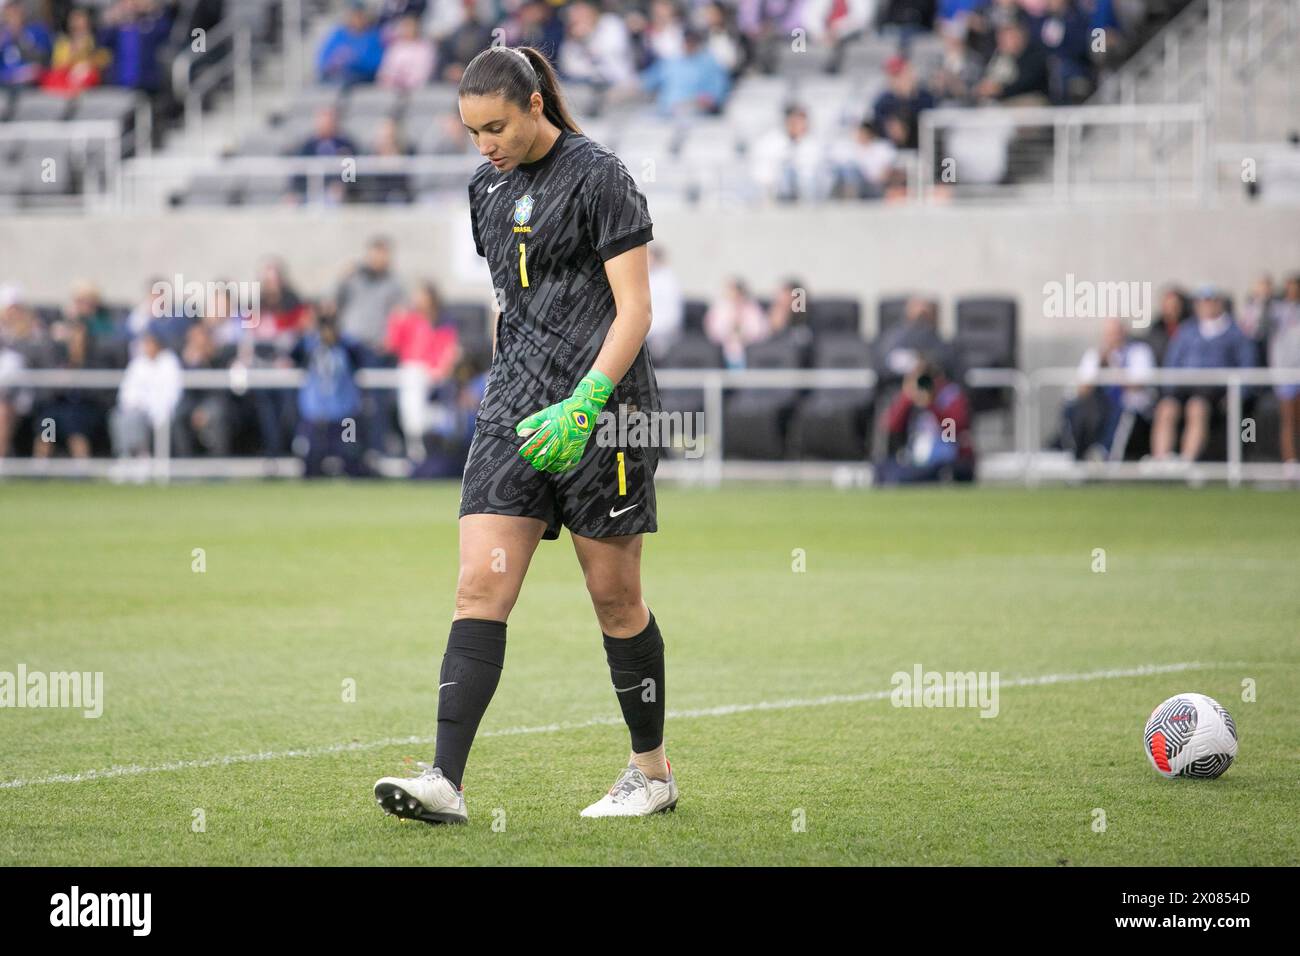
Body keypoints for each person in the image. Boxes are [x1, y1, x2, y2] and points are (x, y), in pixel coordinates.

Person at [372, 44, 677, 824]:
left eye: (497, 126)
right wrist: (516, 389)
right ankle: (445, 780)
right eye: (473, 132)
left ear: (536, 104)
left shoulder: (600, 175)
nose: (487, 145)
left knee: (615, 598)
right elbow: (518, 301)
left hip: (602, 414)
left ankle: (651, 773)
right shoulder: (485, 188)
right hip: (514, 411)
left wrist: (584, 405)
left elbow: (636, 310)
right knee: (479, 584)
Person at [1149, 286, 1257, 462]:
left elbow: (1248, 365)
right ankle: (1161, 460)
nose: (1205, 306)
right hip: (1183, 387)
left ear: (1219, 303)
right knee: (1166, 409)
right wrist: (1169, 388)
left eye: (1210, 301)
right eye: (1201, 302)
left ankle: (1187, 460)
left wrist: (1239, 394)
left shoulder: (1235, 333)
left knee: (1196, 408)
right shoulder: (1186, 331)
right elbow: (1172, 361)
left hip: (1213, 392)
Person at [1060, 316, 1155, 460]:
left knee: (1121, 414)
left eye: (1116, 333)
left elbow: (1138, 383)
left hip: (1127, 405)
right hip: (1099, 406)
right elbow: (1082, 388)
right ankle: (1078, 455)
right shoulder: (1095, 354)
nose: (1112, 338)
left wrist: (1115, 366)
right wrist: (1100, 365)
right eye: (1109, 334)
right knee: (1072, 408)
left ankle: (1106, 455)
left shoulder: (1138, 351)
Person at [876, 358, 975, 483]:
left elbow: (953, 430)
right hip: (916, 456)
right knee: (882, 469)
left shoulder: (950, 395)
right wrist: (906, 399)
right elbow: (890, 426)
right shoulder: (910, 400)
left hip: (945, 456)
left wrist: (931, 404)